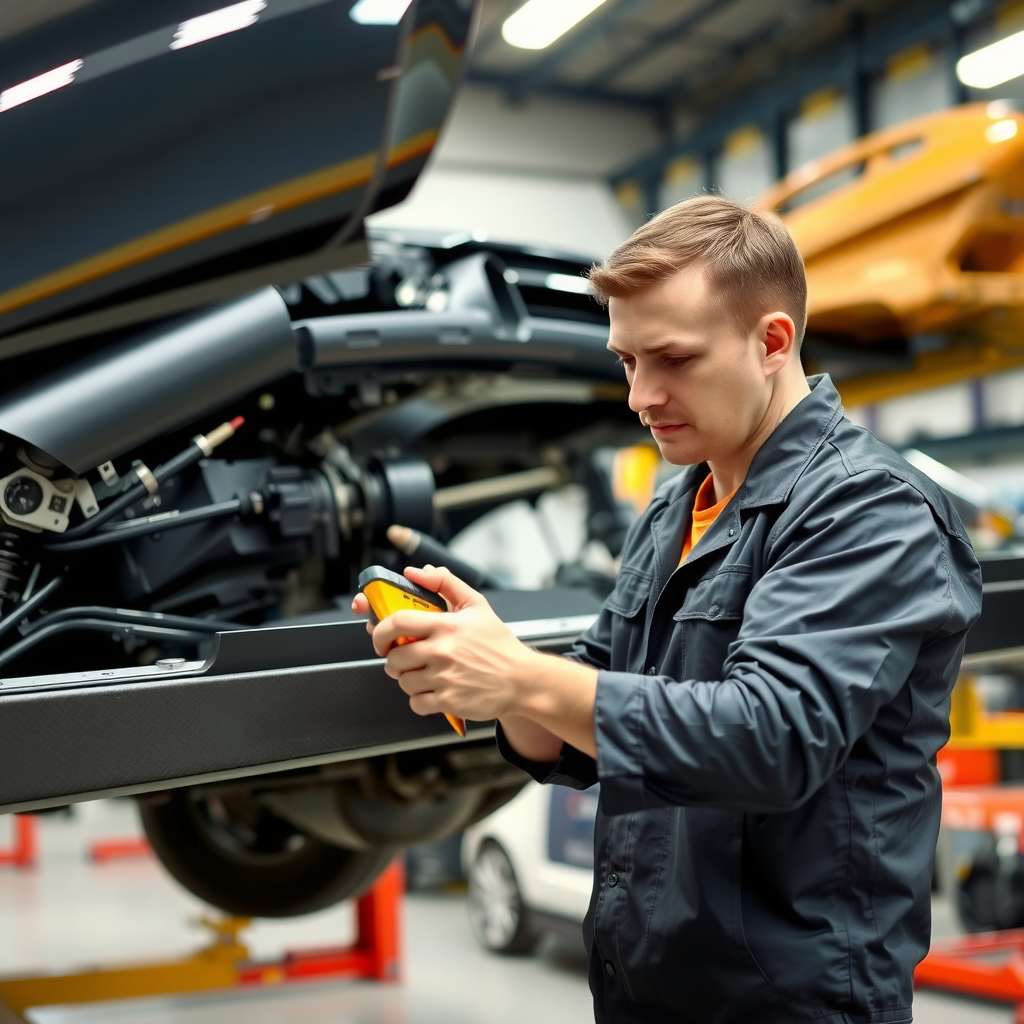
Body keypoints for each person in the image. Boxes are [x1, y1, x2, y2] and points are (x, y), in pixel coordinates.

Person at [352, 194, 982, 1023]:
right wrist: (497, 674)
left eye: (673, 359)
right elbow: (596, 708)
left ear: (772, 342)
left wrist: (524, 678)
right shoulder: (676, 504)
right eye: (626, 362)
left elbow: (771, 736)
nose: (640, 396)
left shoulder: (870, 510)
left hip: (790, 1002)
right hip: (644, 981)